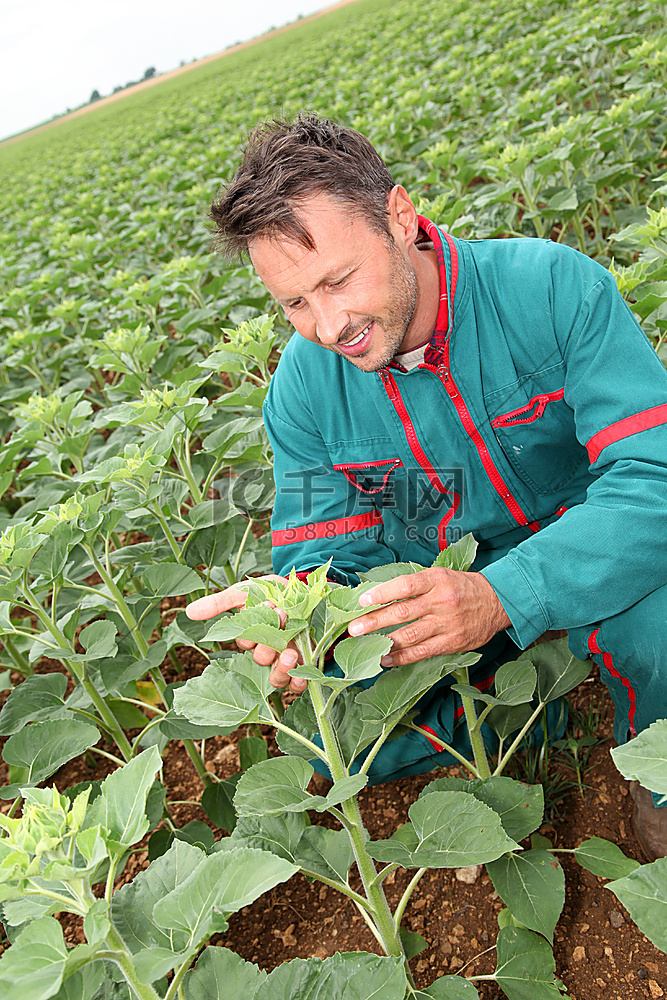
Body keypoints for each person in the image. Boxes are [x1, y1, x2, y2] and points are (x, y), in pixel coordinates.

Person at [187, 113, 667, 860]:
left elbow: (652, 478)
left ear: (399, 216)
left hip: (596, 553)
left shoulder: (547, 287)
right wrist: (297, 613)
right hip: (445, 597)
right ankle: (545, 707)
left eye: (337, 281)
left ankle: (656, 776)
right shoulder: (303, 390)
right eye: (293, 303)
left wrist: (506, 595)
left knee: (661, 626)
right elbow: (324, 554)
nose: (326, 325)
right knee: (339, 741)